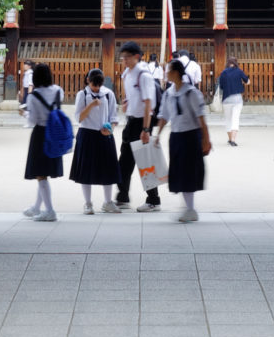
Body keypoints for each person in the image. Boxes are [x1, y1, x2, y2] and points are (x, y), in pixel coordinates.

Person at [160, 54, 212, 222]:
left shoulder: (191, 92)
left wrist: (206, 139)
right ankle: (188, 207)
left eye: (168, 70)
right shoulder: (168, 93)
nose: (166, 73)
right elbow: (164, 116)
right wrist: (156, 135)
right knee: (179, 172)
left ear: (176, 72)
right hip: (176, 136)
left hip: (190, 136)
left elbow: (201, 118)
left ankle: (190, 209)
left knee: (188, 172)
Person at [113, 42, 163, 210]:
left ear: (136, 56)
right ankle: (123, 196)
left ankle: (153, 200)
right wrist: (127, 102)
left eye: (127, 57)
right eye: (123, 57)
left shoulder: (144, 75)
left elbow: (149, 103)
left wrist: (146, 129)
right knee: (125, 162)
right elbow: (131, 95)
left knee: (146, 161)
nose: (124, 60)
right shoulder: (127, 73)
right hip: (131, 120)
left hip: (142, 122)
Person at [70, 69, 121, 214]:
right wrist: (91, 105)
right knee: (86, 170)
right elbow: (79, 118)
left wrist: (110, 128)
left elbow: (114, 117)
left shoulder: (109, 94)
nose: (96, 88)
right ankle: (88, 203)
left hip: (104, 134)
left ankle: (108, 202)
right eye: (94, 85)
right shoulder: (83, 94)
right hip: (87, 134)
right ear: (88, 80)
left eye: (98, 85)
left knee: (108, 169)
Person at [21, 63, 67, 222]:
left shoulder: (33, 96)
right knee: (44, 174)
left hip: (41, 134)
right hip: (54, 133)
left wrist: (24, 114)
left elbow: (32, 120)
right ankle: (36, 207)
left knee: (40, 174)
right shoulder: (58, 91)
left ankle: (49, 210)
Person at [216, 57, 248, 145]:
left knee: (228, 119)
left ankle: (230, 139)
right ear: (236, 63)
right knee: (235, 119)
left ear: (227, 63)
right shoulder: (239, 71)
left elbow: (221, 86)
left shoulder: (223, 72)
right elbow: (247, 81)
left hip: (226, 99)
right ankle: (233, 140)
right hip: (237, 98)